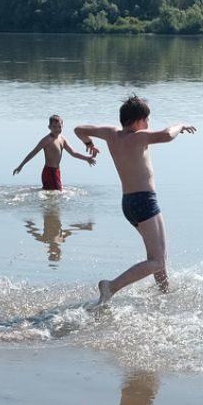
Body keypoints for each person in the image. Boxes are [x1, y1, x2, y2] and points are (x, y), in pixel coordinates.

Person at [75, 95, 196, 307]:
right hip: (145, 202)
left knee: (156, 255)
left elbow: (79, 129)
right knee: (157, 260)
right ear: (139, 120)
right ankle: (111, 286)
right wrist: (181, 125)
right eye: (147, 119)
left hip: (128, 204)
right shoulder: (139, 137)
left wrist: (89, 144)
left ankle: (164, 292)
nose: (148, 124)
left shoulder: (111, 134)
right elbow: (168, 134)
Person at [12, 114, 96, 191]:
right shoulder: (47, 140)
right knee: (56, 193)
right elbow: (33, 152)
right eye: (54, 127)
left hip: (57, 171)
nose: (57, 129)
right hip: (49, 171)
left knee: (54, 194)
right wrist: (21, 166)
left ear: (62, 126)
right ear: (49, 127)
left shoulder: (62, 139)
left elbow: (73, 153)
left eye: (59, 127)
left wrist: (87, 158)